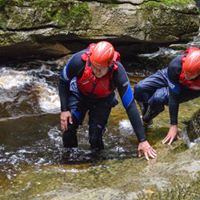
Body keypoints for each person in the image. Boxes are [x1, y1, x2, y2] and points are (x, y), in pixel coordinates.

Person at [58, 41, 156, 160]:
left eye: (100, 69)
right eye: (94, 67)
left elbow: (130, 106)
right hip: (79, 94)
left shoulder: (118, 73)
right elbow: (63, 80)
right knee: (68, 126)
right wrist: (64, 109)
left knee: (95, 137)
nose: (96, 71)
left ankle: (96, 164)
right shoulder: (79, 61)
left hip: (102, 100)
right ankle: (69, 159)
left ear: (110, 64)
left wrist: (142, 140)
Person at [134, 47, 200, 145]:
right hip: (172, 75)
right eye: (185, 72)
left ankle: (146, 119)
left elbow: (174, 96)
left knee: (158, 97)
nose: (186, 75)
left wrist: (173, 125)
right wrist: (174, 124)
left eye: (190, 74)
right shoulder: (177, 64)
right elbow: (174, 93)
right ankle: (148, 110)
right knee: (139, 88)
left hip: (191, 89)